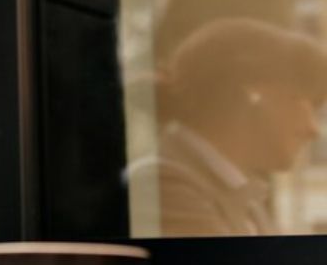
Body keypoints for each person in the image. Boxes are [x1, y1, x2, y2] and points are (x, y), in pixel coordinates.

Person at [126, 18, 327, 237]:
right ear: (254, 93)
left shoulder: (244, 197)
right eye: (302, 100)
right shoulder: (165, 187)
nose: (313, 129)